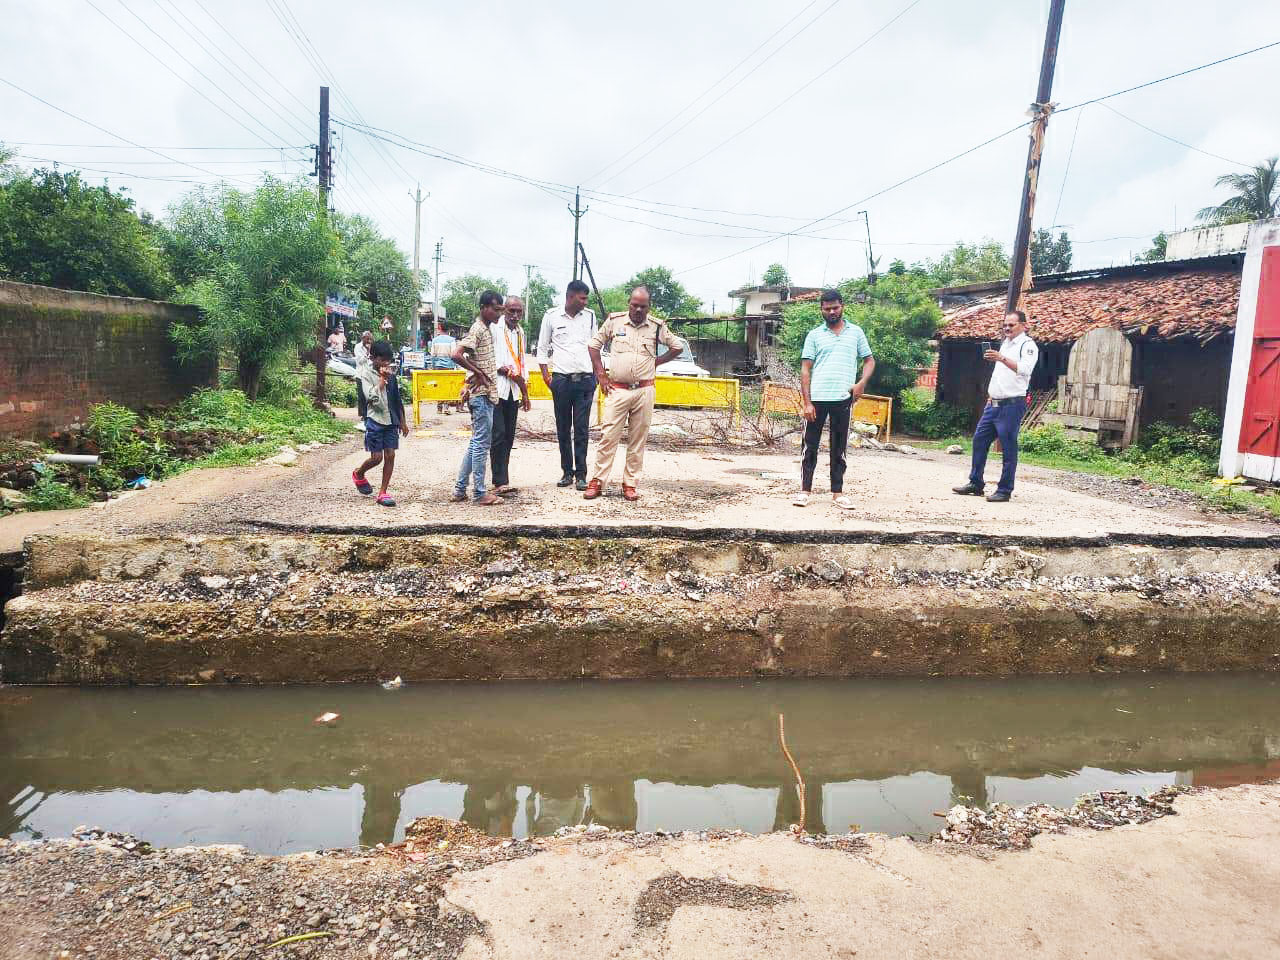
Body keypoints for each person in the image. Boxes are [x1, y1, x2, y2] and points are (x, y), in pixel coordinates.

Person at [582, 286, 684, 502]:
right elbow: (593, 346)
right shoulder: (614, 321)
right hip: (617, 390)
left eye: (642, 306)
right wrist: (601, 375)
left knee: (637, 440)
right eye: (634, 305)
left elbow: (677, 347)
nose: (638, 309)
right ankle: (598, 482)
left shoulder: (656, 327)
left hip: (644, 391)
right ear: (629, 303)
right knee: (608, 437)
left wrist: (657, 362)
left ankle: (630, 484)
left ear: (649, 307)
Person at [794, 288, 875, 510]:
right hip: (817, 399)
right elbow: (805, 370)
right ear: (821, 309)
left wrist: (861, 383)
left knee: (839, 448)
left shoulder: (856, 333)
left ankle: (837, 493)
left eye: (835, 308)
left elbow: (869, 361)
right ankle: (804, 491)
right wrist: (807, 402)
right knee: (809, 447)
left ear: (842, 307)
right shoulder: (814, 335)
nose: (831, 312)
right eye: (827, 308)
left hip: (843, 398)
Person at [953, 309, 1038, 502]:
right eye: (1005, 325)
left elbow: (1025, 370)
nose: (1007, 328)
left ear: (1023, 326)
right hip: (993, 404)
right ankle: (976, 482)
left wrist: (1001, 358)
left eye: (1011, 325)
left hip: (1012, 404)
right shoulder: (1005, 344)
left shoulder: (1027, 345)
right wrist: (991, 396)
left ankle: (1005, 490)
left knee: (1008, 447)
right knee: (979, 440)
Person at [536, 279, 597, 490]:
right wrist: (547, 378)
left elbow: (594, 347)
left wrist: (598, 375)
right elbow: (542, 349)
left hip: (585, 381)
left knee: (581, 429)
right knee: (563, 428)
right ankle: (566, 473)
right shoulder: (551, 316)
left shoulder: (590, 317)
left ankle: (581, 475)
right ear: (571, 296)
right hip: (561, 381)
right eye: (582, 297)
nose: (585, 301)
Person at [450, 290, 502, 505]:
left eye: (500, 309)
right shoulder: (478, 329)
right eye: (495, 309)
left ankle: (460, 489)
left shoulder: (486, 329)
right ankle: (479, 493)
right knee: (481, 444)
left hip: (485, 394)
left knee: (476, 444)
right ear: (483, 308)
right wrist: (478, 373)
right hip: (481, 395)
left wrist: (476, 373)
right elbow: (456, 354)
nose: (499, 314)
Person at [352, 339, 409, 507]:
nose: (385, 363)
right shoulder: (365, 374)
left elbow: (396, 400)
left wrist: (402, 422)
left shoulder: (391, 376)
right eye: (382, 360)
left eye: (387, 360)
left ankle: (383, 492)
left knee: (390, 455)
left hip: (391, 420)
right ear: (373, 357)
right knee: (376, 458)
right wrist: (381, 382)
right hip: (375, 419)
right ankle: (359, 473)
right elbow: (371, 398)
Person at [491, 296, 532, 496]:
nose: (515, 316)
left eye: (518, 312)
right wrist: (501, 369)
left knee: (508, 436)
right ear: (504, 310)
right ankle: (498, 481)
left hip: (513, 390)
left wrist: (525, 392)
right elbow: (489, 359)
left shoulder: (520, 332)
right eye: (511, 311)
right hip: (497, 389)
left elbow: (521, 362)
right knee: (497, 435)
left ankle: (503, 480)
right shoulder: (494, 329)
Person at [353, 330, 373, 420]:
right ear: (363, 338)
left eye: (370, 339)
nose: (369, 341)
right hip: (361, 374)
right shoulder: (358, 347)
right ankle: (363, 414)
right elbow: (360, 361)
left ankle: (369, 413)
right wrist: (368, 352)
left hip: (369, 374)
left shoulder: (371, 347)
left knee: (369, 394)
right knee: (361, 395)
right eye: (367, 339)